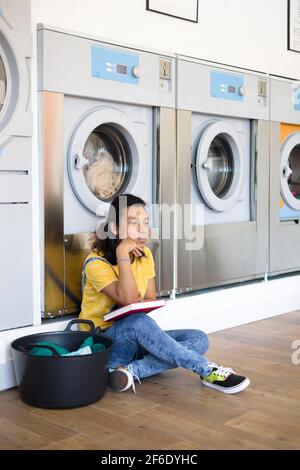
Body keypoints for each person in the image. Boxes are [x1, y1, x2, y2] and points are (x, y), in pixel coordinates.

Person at [80, 194, 250, 394]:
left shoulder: (145, 256)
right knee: (137, 321)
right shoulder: (95, 263)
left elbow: (149, 296)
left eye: (146, 222)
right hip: (103, 343)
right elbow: (129, 300)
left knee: (198, 338)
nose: (143, 230)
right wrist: (122, 254)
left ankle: (128, 372)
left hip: (133, 339)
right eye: (134, 223)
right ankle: (207, 369)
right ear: (115, 228)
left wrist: (135, 304)